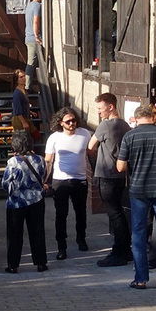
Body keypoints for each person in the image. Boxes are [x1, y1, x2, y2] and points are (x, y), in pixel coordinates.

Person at [116, 103, 156, 291]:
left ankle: (140, 279)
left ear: (136, 118)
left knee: (138, 233)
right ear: (153, 118)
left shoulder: (129, 136)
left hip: (138, 191)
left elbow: (120, 167)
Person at [89, 93, 131, 267]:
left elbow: (90, 146)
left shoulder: (105, 126)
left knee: (114, 214)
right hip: (121, 175)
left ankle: (119, 252)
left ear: (111, 107)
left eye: (100, 108)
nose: (99, 113)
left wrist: (95, 164)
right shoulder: (125, 125)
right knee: (120, 213)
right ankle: (125, 249)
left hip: (106, 174)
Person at [44, 109, 92, 260]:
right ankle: (61, 246)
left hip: (80, 179)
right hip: (60, 181)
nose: (72, 124)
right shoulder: (54, 138)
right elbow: (48, 161)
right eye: (68, 121)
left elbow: (91, 154)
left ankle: (81, 238)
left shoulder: (84, 134)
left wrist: (95, 174)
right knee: (61, 214)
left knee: (81, 212)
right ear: (60, 123)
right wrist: (45, 180)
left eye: (74, 120)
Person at [2, 147, 49, 273]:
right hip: (37, 199)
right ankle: (41, 263)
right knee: (37, 231)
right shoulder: (40, 159)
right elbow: (43, 175)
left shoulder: (13, 161)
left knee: (14, 234)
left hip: (17, 202)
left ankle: (13, 265)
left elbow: (5, 183)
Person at [24, 0, 42, 85]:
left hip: (28, 37)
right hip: (33, 38)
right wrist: (36, 36)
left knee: (32, 62)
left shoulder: (29, 5)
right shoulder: (37, 6)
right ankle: (26, 87)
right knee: (31, 63)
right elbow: (36, 21)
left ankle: (29, 85)